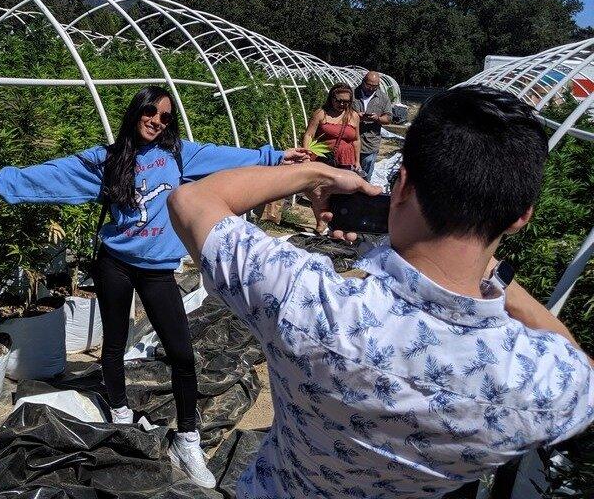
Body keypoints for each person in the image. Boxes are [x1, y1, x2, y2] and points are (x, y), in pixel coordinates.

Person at [167, 85, 594, 498]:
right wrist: (499, 281)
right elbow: (581, 369)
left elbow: (192, 200)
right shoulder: (545, 381)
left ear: (403, 186)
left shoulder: (309, 302)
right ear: (520, 217)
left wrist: (316, 172)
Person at [0, 86, 310, 488]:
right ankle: (121, 414)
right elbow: (53, 174)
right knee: (113, 345)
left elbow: (227, 155)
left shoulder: (180, 154)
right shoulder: (108, 160)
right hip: (114, 265)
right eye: (150, 112)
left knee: (181, 353)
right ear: (135, 113)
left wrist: (274, 157)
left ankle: (187, 438)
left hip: (157, 271)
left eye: (165, 117)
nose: (157, 121)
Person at [303, 84, 360, 232]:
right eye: (339, 100)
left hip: (345, 160)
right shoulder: (321, 114)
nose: (342, 104)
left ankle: (338, 225)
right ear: (331, 98)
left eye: (346, 102)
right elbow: (309, 134)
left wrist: (357, 161)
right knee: (319, 193)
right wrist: (307, 154)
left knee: (342, 193)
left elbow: (356, 140)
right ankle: (321, 222)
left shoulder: (353, 116)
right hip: (323, 158)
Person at [354, 70, 393, 179]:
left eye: (374, 86)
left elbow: (388, 118)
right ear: (363, 82)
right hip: (351, 141)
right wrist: (356, 117)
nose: (371, 89)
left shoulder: (383, 98)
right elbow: (342, 114)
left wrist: (377, 118)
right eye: (368, 85)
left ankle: (362, 194)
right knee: (349, 175)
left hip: (370, 142)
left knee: (365, 176)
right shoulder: (352, 94)